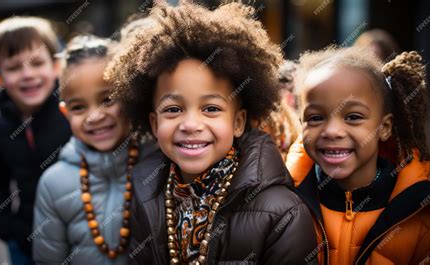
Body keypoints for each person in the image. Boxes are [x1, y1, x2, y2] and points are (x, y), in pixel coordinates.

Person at [105, 2, 318, 264]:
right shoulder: (146, 194)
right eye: (173, 109)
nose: (191, 124)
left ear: (238, 122)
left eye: (211, 108)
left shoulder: (282, 213)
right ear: (153, 123)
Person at [286, 46, 430, 264]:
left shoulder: (422, 213)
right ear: (301, 125)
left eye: (353, 117)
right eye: (316, 118)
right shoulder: (282, 202)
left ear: (384, 127)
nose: (332, 131)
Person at [33, 34, 156, 265]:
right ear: (65, 113)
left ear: (129, 97)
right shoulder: (52, 184)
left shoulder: (155, 163)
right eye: (79, 107)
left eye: (108, 99)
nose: (95, 116)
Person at [0, 16, 71, 265]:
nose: (27, 74)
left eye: (37, 63)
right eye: (13, 67)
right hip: (24, 241)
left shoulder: (71, 115)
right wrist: (5, 228)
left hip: (77, 236)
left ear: (56, 66)